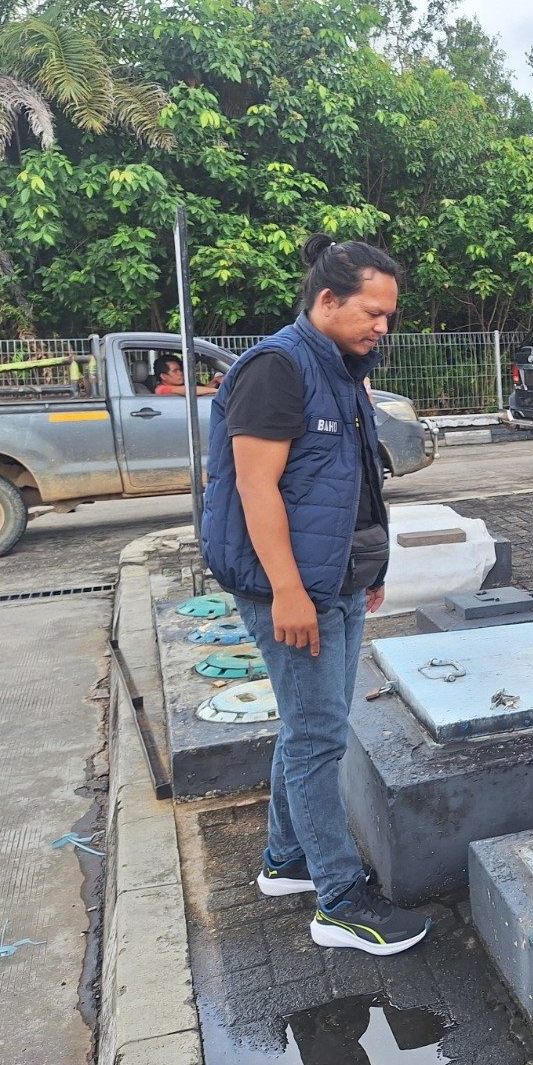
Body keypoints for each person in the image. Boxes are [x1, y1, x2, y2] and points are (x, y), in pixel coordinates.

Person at [200, 233, 428, 956]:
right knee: (320, 737)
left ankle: (286, 861)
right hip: (290, 588)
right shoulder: (277, 368)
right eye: (373, 312)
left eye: (388, 316)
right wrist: (288, 592)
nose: (382, 327)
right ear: (326, 300)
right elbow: (254, 486)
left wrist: (371, 564)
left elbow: (352, 482)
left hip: (338, 579)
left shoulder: (342, 365)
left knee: (308, 727)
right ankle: (337, 901)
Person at [152, 353, 220, 396]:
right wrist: (218, 391)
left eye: (180, 370)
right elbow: (189, 390)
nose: (180, 373)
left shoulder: (175, 387)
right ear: (163, 376)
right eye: (175, 371)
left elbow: (201, 390)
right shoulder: (161, 389)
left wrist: (215, 381)